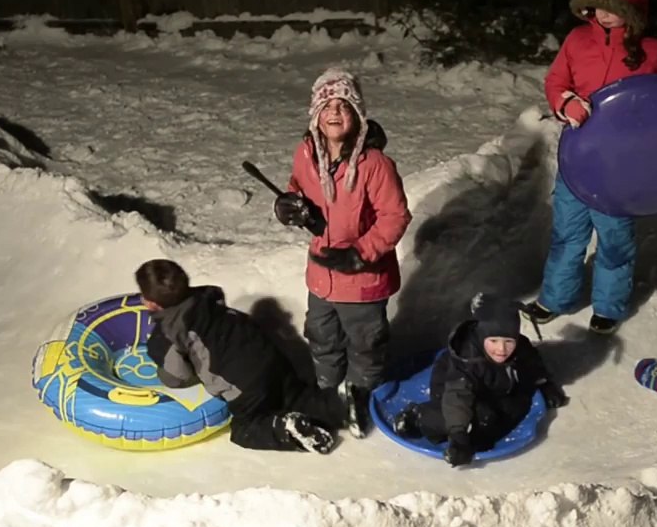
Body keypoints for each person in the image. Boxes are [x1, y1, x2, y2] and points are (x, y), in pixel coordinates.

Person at [523, 0, 657, 335]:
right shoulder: (577, 40)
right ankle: (555, 298)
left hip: (620, 169)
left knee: (614, 240)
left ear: (632, 8)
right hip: (577, 159)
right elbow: (556, 81)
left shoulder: (653, 51)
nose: (602, 14)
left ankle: (608, 305)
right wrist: (566, 102)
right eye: (597, 5)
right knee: (567, 234)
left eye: (613, 6)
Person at [274, 68, 412, 436]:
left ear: (357, 115)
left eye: (344, 106)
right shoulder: (306, 154)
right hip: (322, 274)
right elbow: (297, 187)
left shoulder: (374, 164)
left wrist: (360, 253)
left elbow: (395, 216)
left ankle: (360, 395)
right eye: (327, 106)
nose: (335, 112)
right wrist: (289, 205)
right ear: (315, 114)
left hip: (363, 279)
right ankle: (328, 390)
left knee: (365, 343)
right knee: (322, 336)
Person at [135, 259, 340, 454]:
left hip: (244, 384)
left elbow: (177, 377)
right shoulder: (208, 295)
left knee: (243, 429)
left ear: (151, 304)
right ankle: (343, 407)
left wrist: (166, 368)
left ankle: (285, 429)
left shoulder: (166, 336)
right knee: (298, 398)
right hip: (270, 358)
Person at [394, 293, 569, 468]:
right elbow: (458, 395)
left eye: (509, 341)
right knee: (476, 418)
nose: (502, 349)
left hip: (491, 389)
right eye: (493, 341)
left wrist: (543, 383)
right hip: (451, 388)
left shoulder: (520, 347)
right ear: (482, 336)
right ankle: (418, 417)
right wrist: (458, 434)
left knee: (509, 412)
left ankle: (474, 436)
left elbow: (531, 363)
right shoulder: (468, 358)